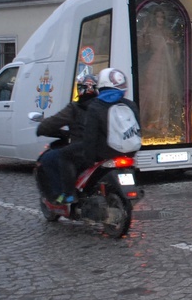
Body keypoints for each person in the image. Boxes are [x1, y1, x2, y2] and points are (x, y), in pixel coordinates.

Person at [55, 68, 141, 204]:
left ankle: (69, 194)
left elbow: (90, 136)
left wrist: (89, 160)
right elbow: (137, 129)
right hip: (128, 152)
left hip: (104, 152)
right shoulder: (130, 105)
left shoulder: (96, 106)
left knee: (64, 154)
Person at [37, 74, 98, 203]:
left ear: (80, 89)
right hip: (104, 149)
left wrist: (41, 128)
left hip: (82, 151)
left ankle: (64, 194)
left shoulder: (75, 108)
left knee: (49, 158)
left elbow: (53, 122)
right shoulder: (102, 105)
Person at [136, 5, 182, 139]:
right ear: (154, 18)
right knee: (152, 93)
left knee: (164, 95)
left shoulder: (168, 32)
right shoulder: (150, 31)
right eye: (158, 17)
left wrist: (172, 44)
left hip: (165, 66)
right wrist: (144, 33)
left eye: (162, 17)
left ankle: (162, 125)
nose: (160, 20)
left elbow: (175, 49)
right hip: (155, 64)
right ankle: (150, 123)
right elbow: (142, 48)